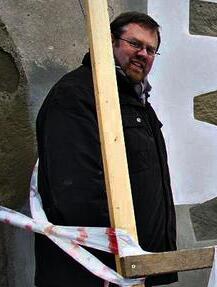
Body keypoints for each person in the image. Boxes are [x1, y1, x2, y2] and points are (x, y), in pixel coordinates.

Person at [35, 12, 177, 287]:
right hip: (95, 271)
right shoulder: (77, 94)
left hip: (135, 267)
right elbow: (76, 190)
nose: (143, 54)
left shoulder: (139, 104)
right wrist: (114, 257)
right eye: (134, 44)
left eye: (151, 50)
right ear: (109, 42)